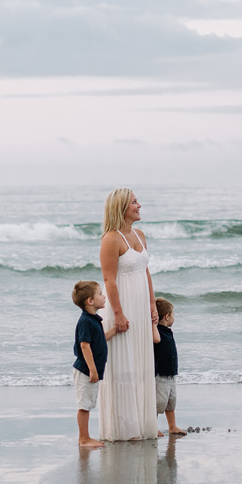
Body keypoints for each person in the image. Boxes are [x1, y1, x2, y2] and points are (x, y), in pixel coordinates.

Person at [97, 187, 159, 441]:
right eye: (134, 202)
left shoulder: (140, 235)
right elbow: (109, 280)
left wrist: (152, 305)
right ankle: (125, 428)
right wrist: (119, 314)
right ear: (122, 207)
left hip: (141, 306)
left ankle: (144, 423)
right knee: (122, 364)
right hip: (121, 306)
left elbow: (145, 271)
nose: (139, 205)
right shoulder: (110, 239)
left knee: (141, 362)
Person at [72, 280, 112, 449]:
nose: (104, 297)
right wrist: (92, 369)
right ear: (90, 301)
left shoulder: (94, 319)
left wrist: (115, 331)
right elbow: (84, 345)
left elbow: (100, 339)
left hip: (90, 370)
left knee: (87, 403)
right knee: (84, 405)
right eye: (100, 294)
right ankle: (83, 438)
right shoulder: (86, 321)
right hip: (85, 370)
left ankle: (85, 437)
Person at [152, 298, 184, 437]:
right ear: (166, 316)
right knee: (158, 403)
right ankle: (153, 427)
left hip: (171, 373)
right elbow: (155, 340)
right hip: (160, 374)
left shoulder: (168, 331)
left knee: (171, 402)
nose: (173, 318)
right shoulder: (157, 331)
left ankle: (172, 426)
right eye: (173, 315)